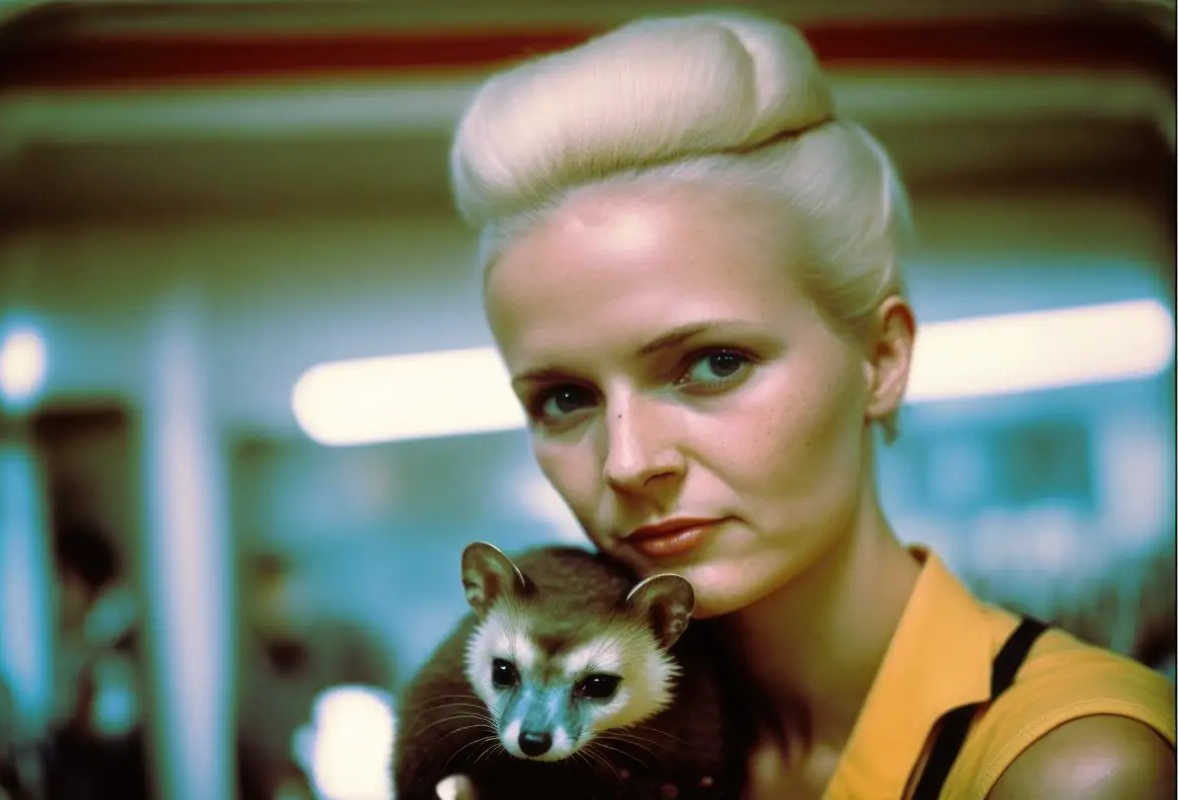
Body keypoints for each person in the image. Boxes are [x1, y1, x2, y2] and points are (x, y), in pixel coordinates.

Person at [432, 9, 1176, 800]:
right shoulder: (591, 756)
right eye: (564, 398)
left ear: (882, 361)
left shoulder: (1072, 766)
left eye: (714, 364)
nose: (629, 462)